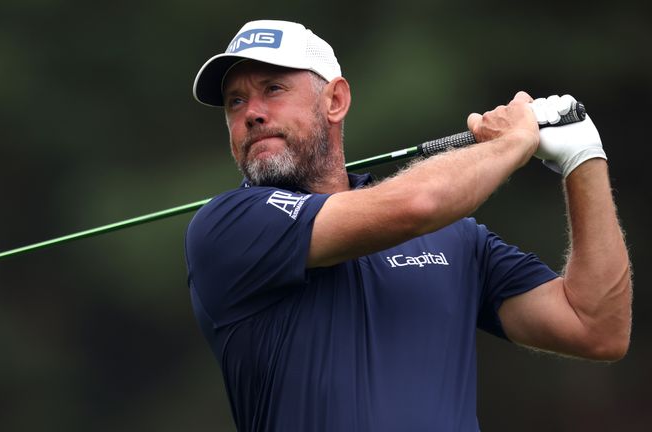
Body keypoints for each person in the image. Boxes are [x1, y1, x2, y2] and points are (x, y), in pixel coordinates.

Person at [184, 19, 632, 431]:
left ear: (335, 100)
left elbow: (595, 326)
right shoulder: (229, 225)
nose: (252, 113)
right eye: (235, 101)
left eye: (273, 89)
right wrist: (516, 141)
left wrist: (583, 158)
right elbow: (417, 203)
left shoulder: (456, 238)